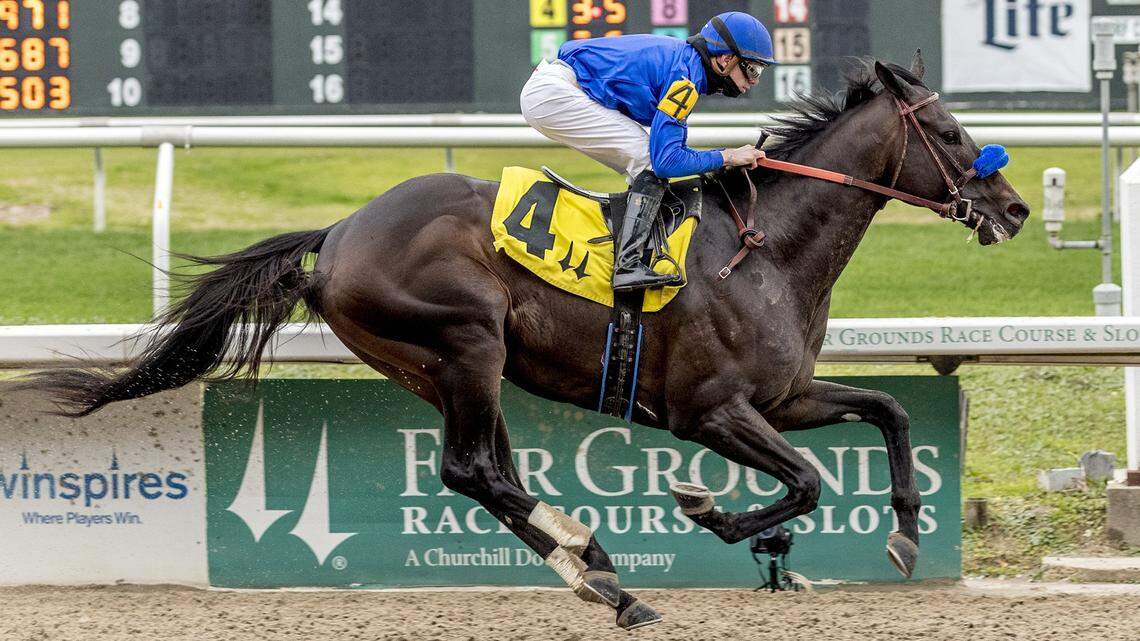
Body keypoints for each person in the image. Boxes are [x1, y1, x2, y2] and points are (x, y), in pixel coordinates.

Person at [520, 12, 774, 291]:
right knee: (649, 160)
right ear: (726, 60)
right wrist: (728, 156)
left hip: (556, 87)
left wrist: (721, 157)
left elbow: (671, 152)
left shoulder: (686, 67)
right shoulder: (684, 80)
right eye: (753, 70)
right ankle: (627, 265)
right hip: (554, 94)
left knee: (646, 160)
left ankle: (629, 254)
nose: (755, 81)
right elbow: (667, 162)